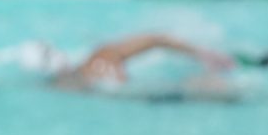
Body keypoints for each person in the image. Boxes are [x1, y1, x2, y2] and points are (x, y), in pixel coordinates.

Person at [38, 32, 237, 102]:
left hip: (176, 88)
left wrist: (201, 53)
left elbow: (156, 39)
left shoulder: (102, 57)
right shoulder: (82, 89)